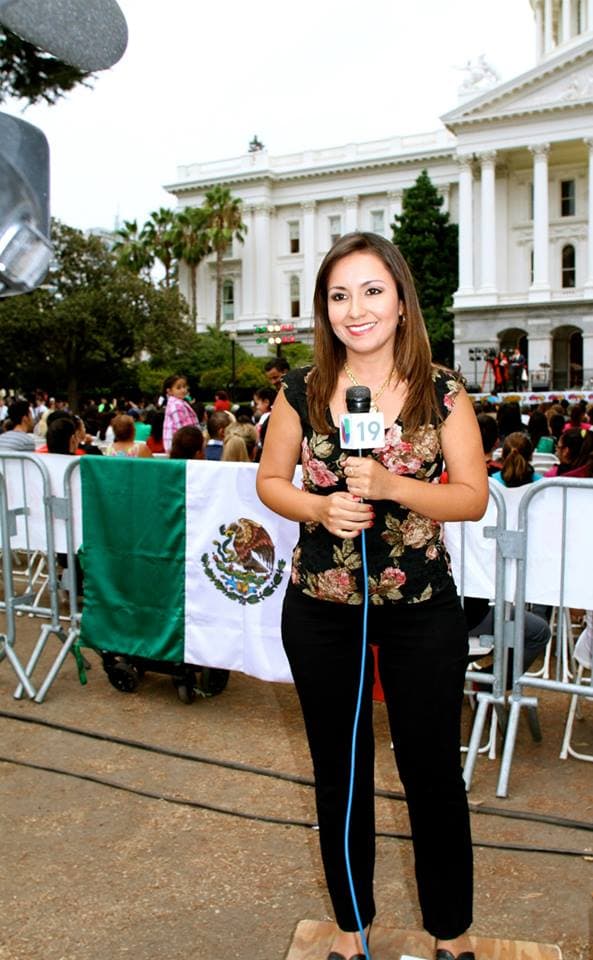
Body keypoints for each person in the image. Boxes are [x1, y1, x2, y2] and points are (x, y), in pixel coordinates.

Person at [256, 232, 488, 960]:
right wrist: (319, 509)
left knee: (431, 774)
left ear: (399, 300)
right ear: (324, 309)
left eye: (370, 291)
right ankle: (352, 934)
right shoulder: (298, 388)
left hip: (421, 607)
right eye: (337, 295)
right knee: (341, 772)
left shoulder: (441, 389)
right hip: (321, 608)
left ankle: (449, 936)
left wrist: (390, 486)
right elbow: (269, 482)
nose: (354, 309)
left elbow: (471, 497)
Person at [162, 374, 198, 453]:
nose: (183, 390)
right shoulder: (176, 405)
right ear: (169, 391)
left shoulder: (177, 403)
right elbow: (182, 428)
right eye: (178, 388)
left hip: (179, 443)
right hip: (180, 445)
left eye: (184, 387)